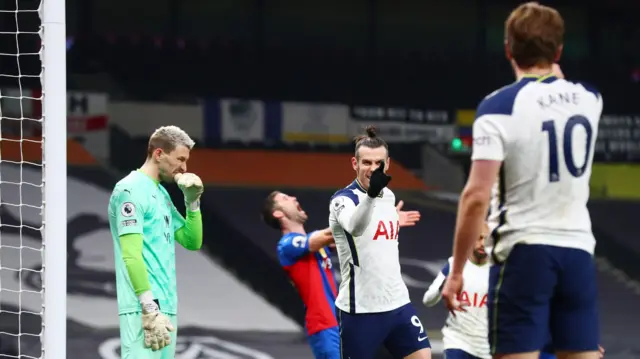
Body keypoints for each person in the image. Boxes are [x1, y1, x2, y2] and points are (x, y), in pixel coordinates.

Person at [441, 3, 603, 359]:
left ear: (508, 49)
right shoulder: (591, 99)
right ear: (559, 50)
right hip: (578, 253)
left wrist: (456, 272)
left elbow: (476, 196)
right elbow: (557, 88)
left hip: (525, 253)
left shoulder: (497, 107)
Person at [261, 190, 420, 359]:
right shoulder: (287, 246)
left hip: (339, 323)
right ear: (278, 213)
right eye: (286, 198)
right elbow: (330, 234)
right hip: (323, 326)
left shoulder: (316, 245)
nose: (294, 197)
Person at [328, 126, 430, 359]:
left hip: (397, 304)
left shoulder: (388, 196)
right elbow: (355, 225)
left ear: (388, 164)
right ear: (354, 163)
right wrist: (372, 195)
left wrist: (394, 217)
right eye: (366, 163)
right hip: (361, 310)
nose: (373, 169)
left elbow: (376, 228)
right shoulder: (343, 199)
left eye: (378, 163)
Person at [108, 126, 204, 359]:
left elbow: (192, 241)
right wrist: (149, 306)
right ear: (159, 154)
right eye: (180, 159)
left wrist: (193, 203)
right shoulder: (130, 189)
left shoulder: (161, 194)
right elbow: (131, 255)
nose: (184, 167)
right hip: (144, 308)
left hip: (167, 308)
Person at [423, 223, 491, 359]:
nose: (483, 243)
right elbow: (428, 300)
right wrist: (446, 283)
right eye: (479, 238)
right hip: (457, 341)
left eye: (487, 239)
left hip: (486, 349)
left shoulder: (497, 270)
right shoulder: (455, 265)